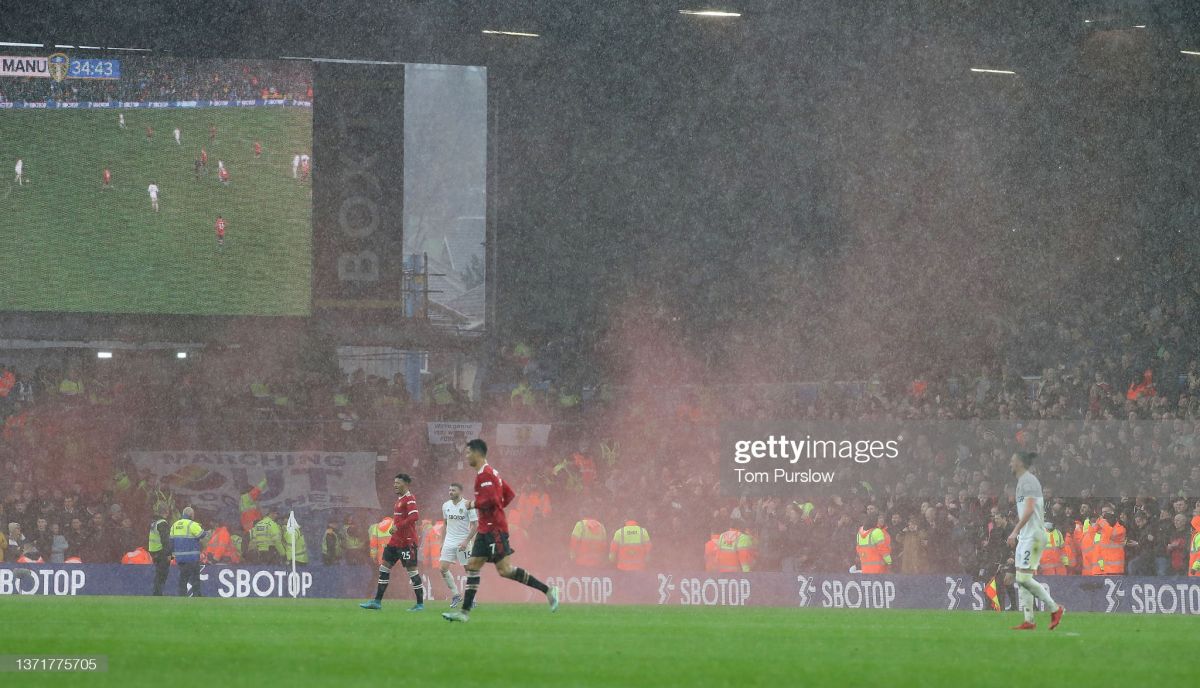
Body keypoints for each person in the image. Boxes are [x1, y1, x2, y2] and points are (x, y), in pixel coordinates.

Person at [443, 439, 558, 623]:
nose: (466, 456)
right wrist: (496, 510)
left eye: (468, 453)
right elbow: (509, 494)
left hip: (494, 530)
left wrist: (473, 504)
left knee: (505, 570)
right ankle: (464, 613)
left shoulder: (485, 475)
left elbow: (491, 499)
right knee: (472, 566)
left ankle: (548, 590)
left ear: (478, 453)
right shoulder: (492, 473)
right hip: (485, 528)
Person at [1007, 452, 1064, 630]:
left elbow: (1030, 509)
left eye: (1013, 460)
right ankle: (1029, 620)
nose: (1010, 463)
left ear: (1021, 464)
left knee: (1023, 578)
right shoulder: (1023, 481)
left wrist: (1014, 531)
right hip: (1026, 535)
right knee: (1022, 577)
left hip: (1034, 535)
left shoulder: (1029, 481)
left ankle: (1055, 608)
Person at [360, 473, 425, 611]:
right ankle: (377, 602)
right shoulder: (399, 500)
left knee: (412, 571)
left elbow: (415, 516)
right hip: (395, 541)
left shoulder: (409, 499)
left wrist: (398, 526)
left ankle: (420, 604)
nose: (395, 485)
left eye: (398, 483)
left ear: (406, 484)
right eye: (394, 482)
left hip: (407, 542)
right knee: (384, 568)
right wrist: (396, 529)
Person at [439, 482, 478, 607]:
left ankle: (472, 599)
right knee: (443, 568)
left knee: (469, 570)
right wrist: (442, 542)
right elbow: (445, 524)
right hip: (449, 542)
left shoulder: (468, 505)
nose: (450, 492)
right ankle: (456, 595)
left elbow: (475, 525)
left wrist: (466, 541)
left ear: (460, 492)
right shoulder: (446, 505)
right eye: (449, 490)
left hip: (463, 541)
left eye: (453, 490)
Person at [170, 507, 208, 597]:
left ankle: (182, 596)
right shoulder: (192, 524)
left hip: (180, 558)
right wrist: (204, 530)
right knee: (195, 578)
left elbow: (171, 541)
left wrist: (172, 556)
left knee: (183, 578)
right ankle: (196, 596)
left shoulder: (174, 525)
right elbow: (201, 534)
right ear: (191, 514)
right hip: (192, 558)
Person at [148, 506, 173, 595]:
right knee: (162, 574)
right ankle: (158, 593)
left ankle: (157, 593)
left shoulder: (154, 523)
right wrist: (170, 555)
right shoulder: (163, 523)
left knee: (158, 574)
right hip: (162, 553)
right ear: (166, 512)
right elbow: (166, 541)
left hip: (154, 552)